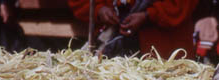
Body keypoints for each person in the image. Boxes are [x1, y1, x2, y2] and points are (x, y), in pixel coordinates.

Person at [68, 0, 198, 58]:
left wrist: (148, 15)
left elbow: (181, 5)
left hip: (162, 48)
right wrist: (99, 9)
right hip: (112, 45)